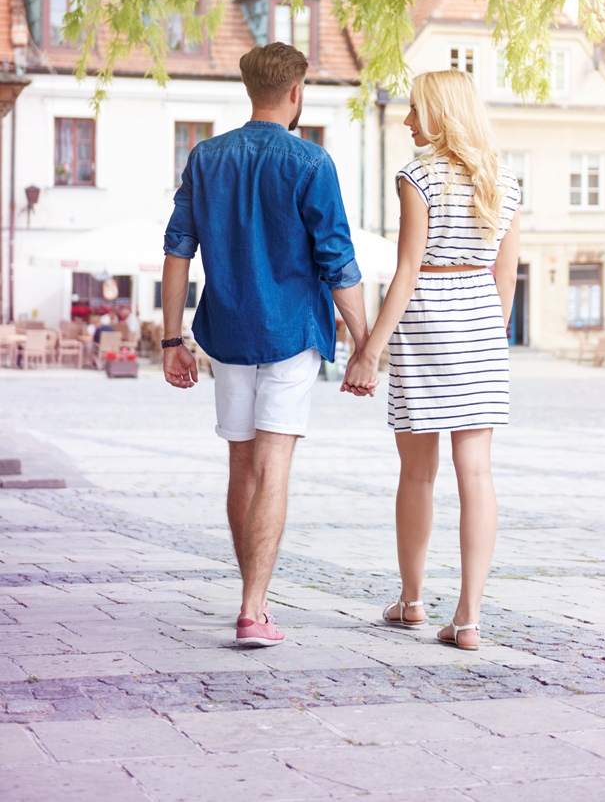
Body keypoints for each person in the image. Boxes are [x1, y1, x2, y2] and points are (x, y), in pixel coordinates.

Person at [161, 41, 373, 647]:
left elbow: (178, 249)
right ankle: (255, 609)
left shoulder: (205, 157)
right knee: (274, 463)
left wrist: (171, 338)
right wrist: (364, 343)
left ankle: (250, 598)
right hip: (290, 333)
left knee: (241, 463)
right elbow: (338, 260)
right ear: (295, 92)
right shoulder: (312, 163)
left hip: (225, 331)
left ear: (249, 88)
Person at [343, 70, 520, 651]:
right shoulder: (504, 179)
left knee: (418, 472)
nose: (408, 119)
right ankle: (468, 618)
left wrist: (371, 352)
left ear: (441, 114)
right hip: (483, 326)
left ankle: (413, 600)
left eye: (416, 109)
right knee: (479, 474)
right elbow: (506, 276)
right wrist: (491, 333)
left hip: (428, 324)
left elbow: (409, 270)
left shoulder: (417, 176)